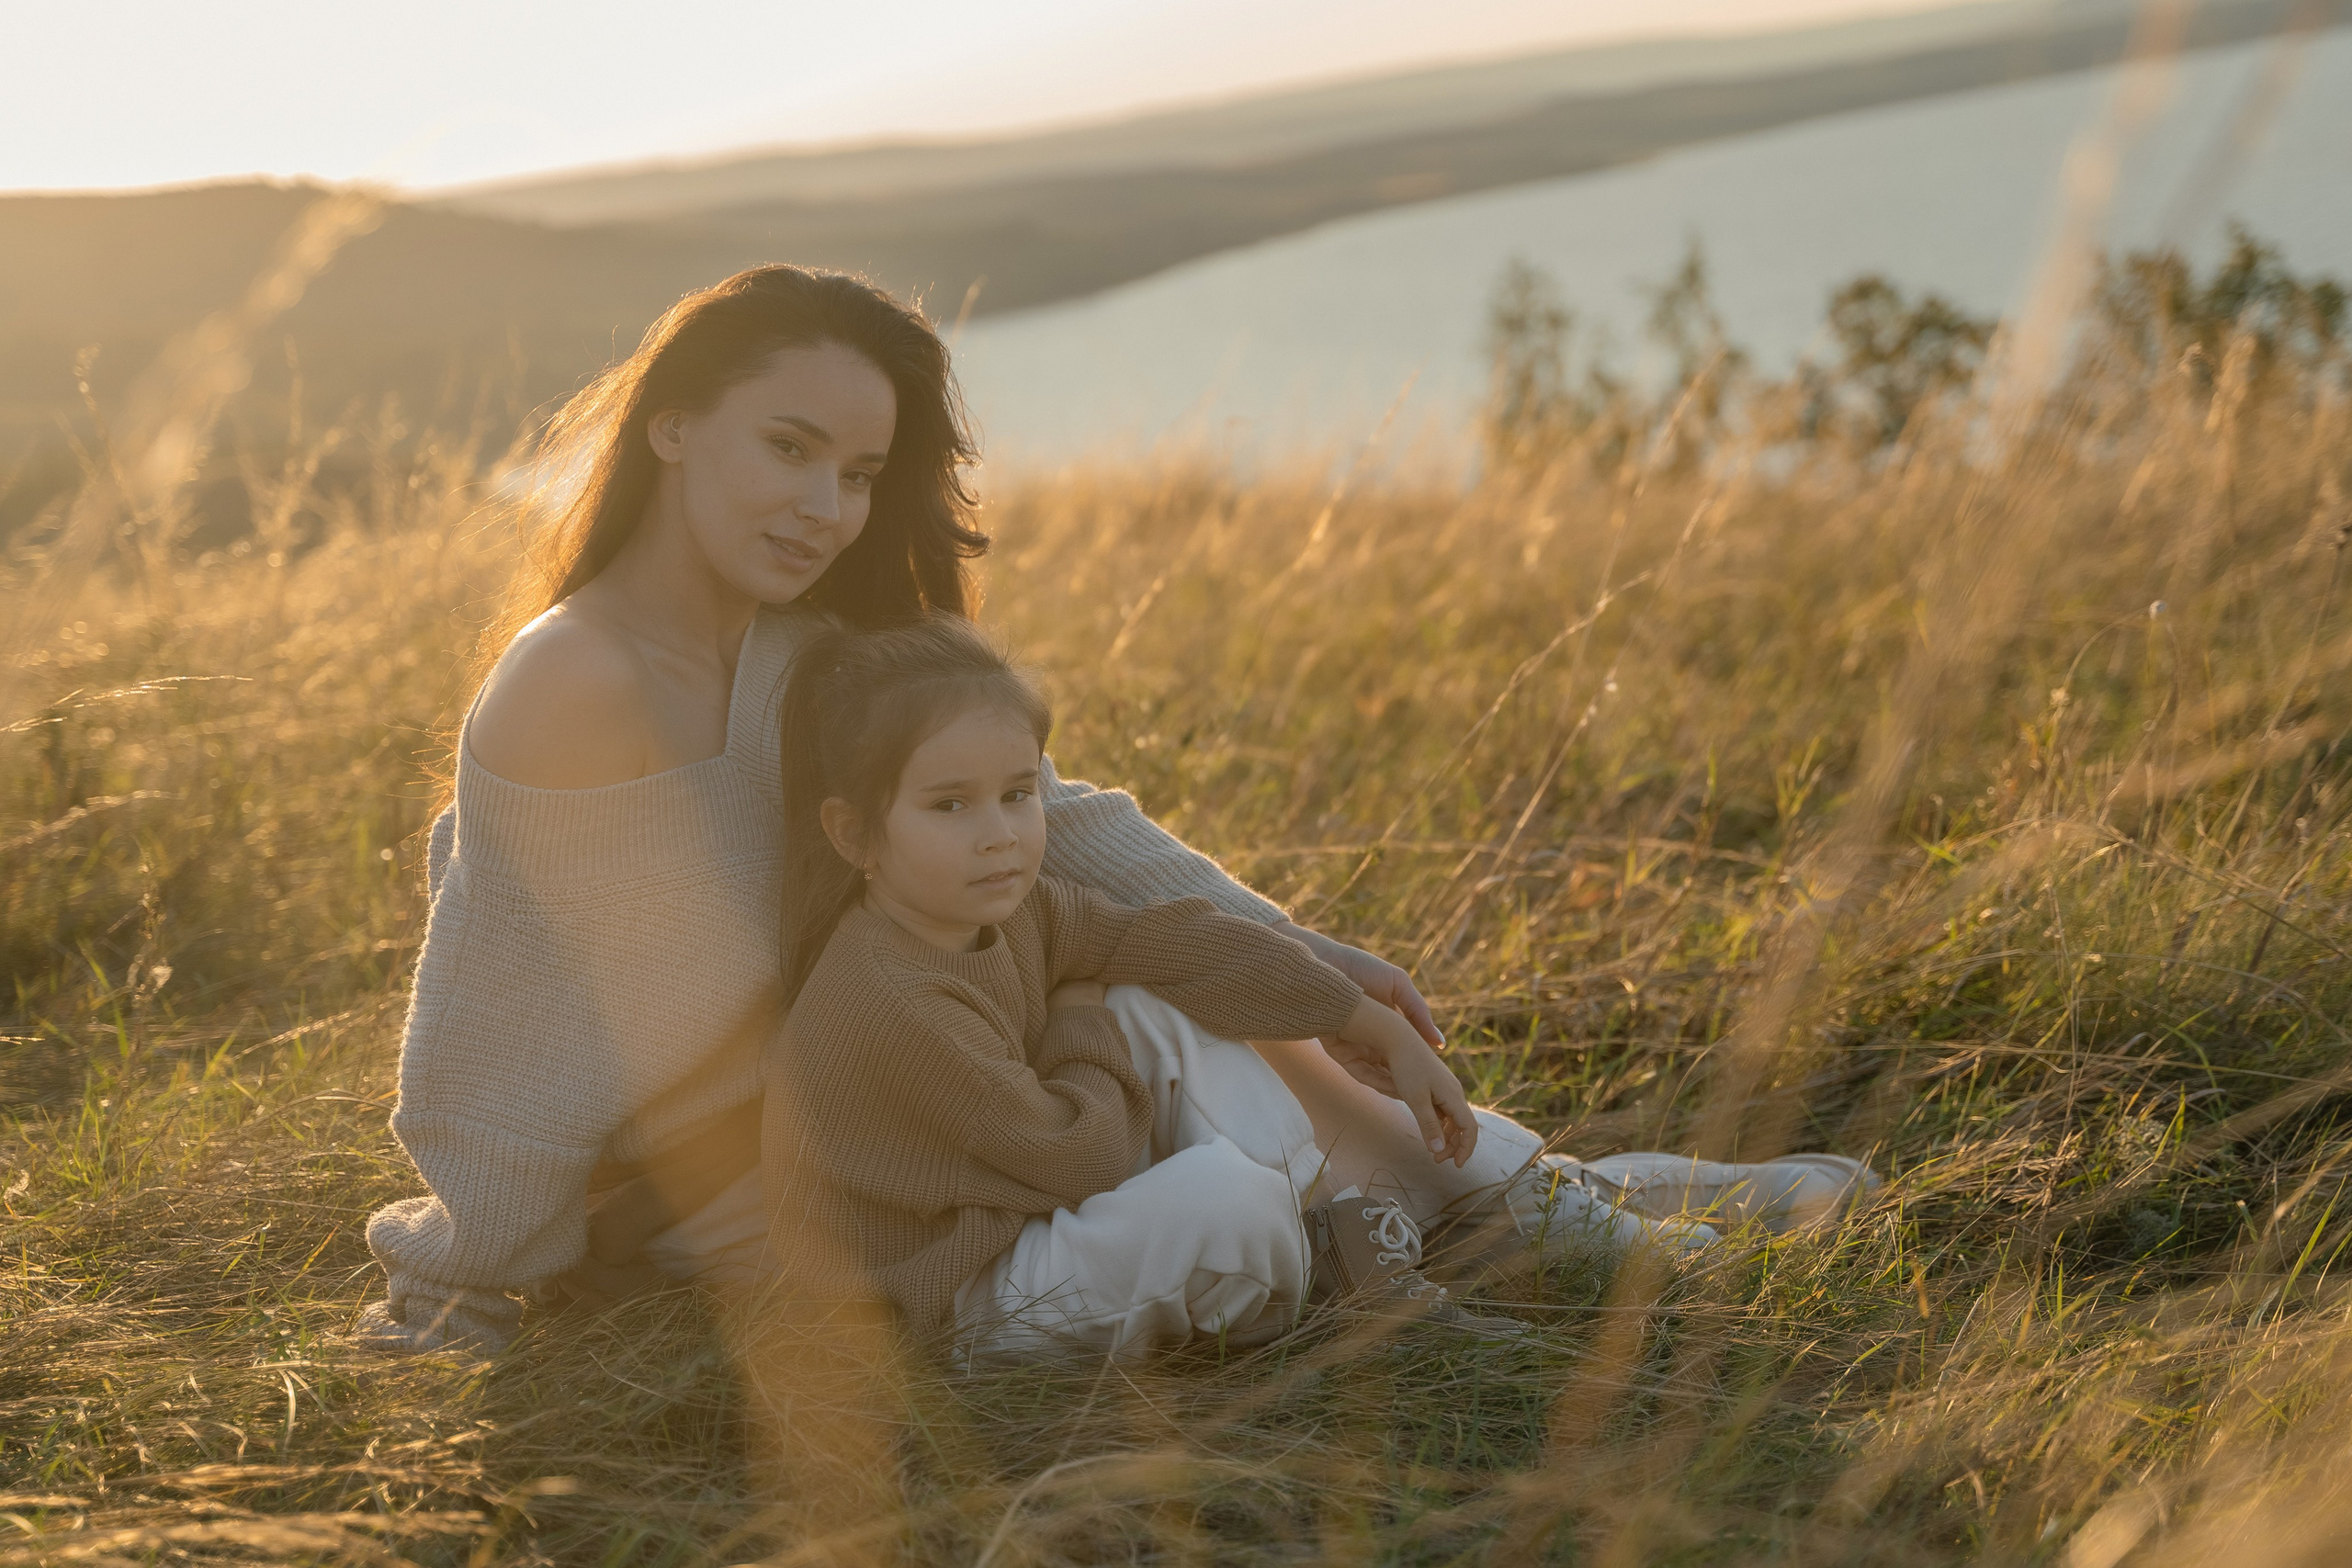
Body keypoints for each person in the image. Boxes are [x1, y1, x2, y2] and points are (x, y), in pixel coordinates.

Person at [356, 264, 1874, 1355]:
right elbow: (503, 1010)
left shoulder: (800, 642)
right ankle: (1555, 1213)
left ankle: (1549, 1202)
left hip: (911, 1072)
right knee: (1156, 1017)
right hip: (790, 1181)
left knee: (1184, 982)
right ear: (671, 428)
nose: (826, 507)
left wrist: (1314, 961)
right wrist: (472, 1266)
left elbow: (1055, 825)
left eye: (859, 471)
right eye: (789, 450)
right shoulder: (573, 683)